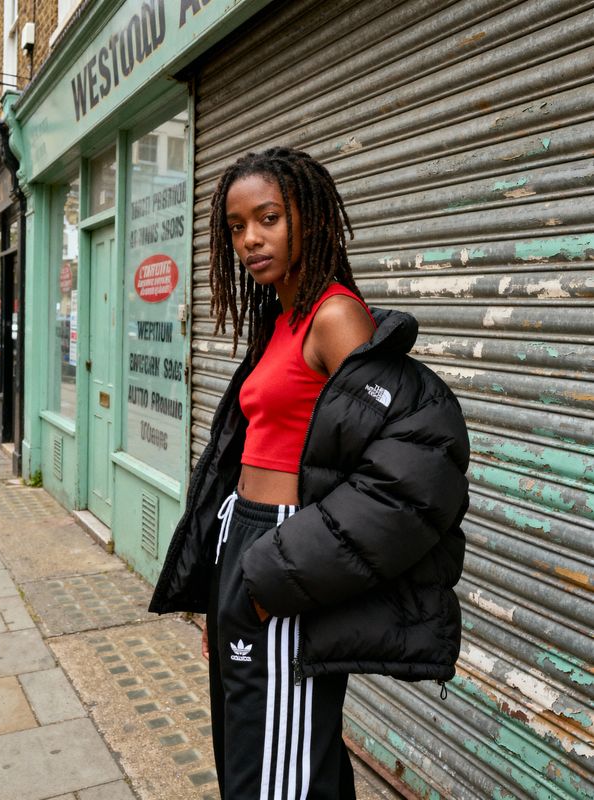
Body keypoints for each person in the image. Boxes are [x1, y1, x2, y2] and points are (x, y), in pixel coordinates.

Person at [149, 147, 470, 799]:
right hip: (244, 544)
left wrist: (275, 575)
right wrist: (224, 589)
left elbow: (402, 469)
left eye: (268, 218)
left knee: (284, 774)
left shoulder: (335, 316)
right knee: (250, 755)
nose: (249, 239)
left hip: (286, 554)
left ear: (313, 219)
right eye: (236, 226)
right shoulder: (279, 318)